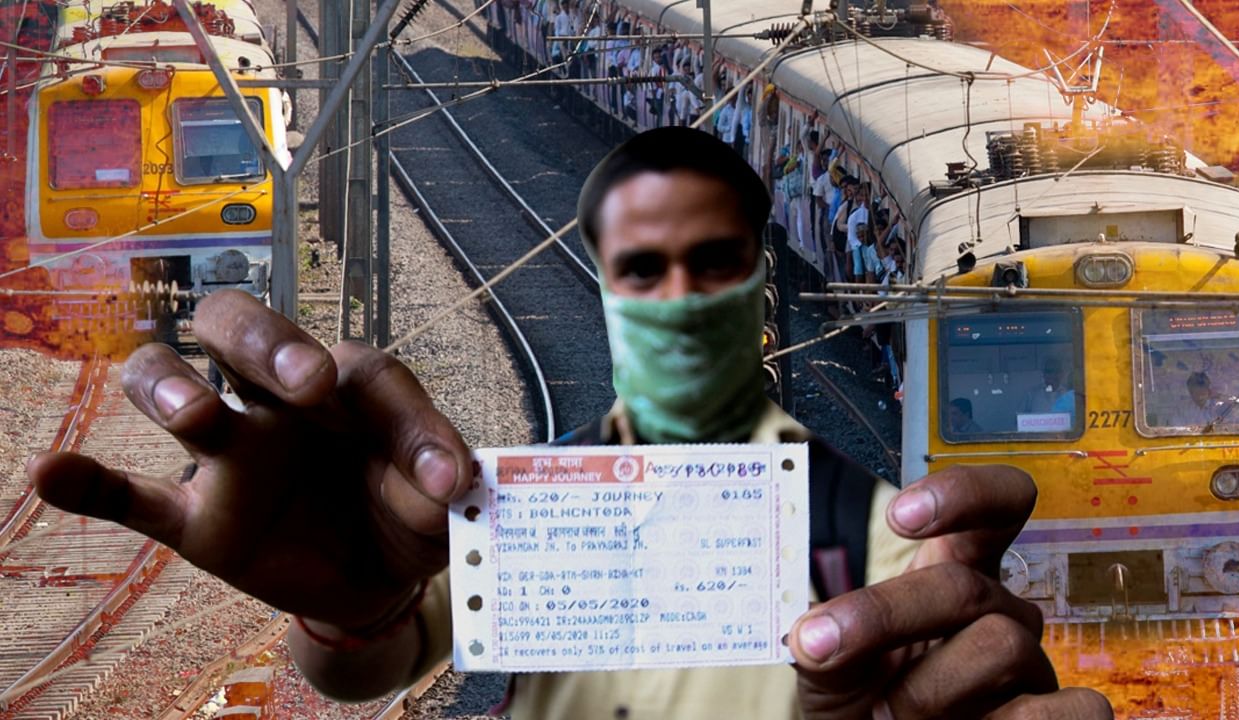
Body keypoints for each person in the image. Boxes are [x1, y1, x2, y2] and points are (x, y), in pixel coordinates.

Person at [28, 127, 1112, 720]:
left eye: (715, 263)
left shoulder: (893, 538)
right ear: (598, 281)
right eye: (643, 269)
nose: (680, 299)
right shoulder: (512, 507)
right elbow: (371, 659)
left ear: (763, 280)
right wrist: (343, 605)